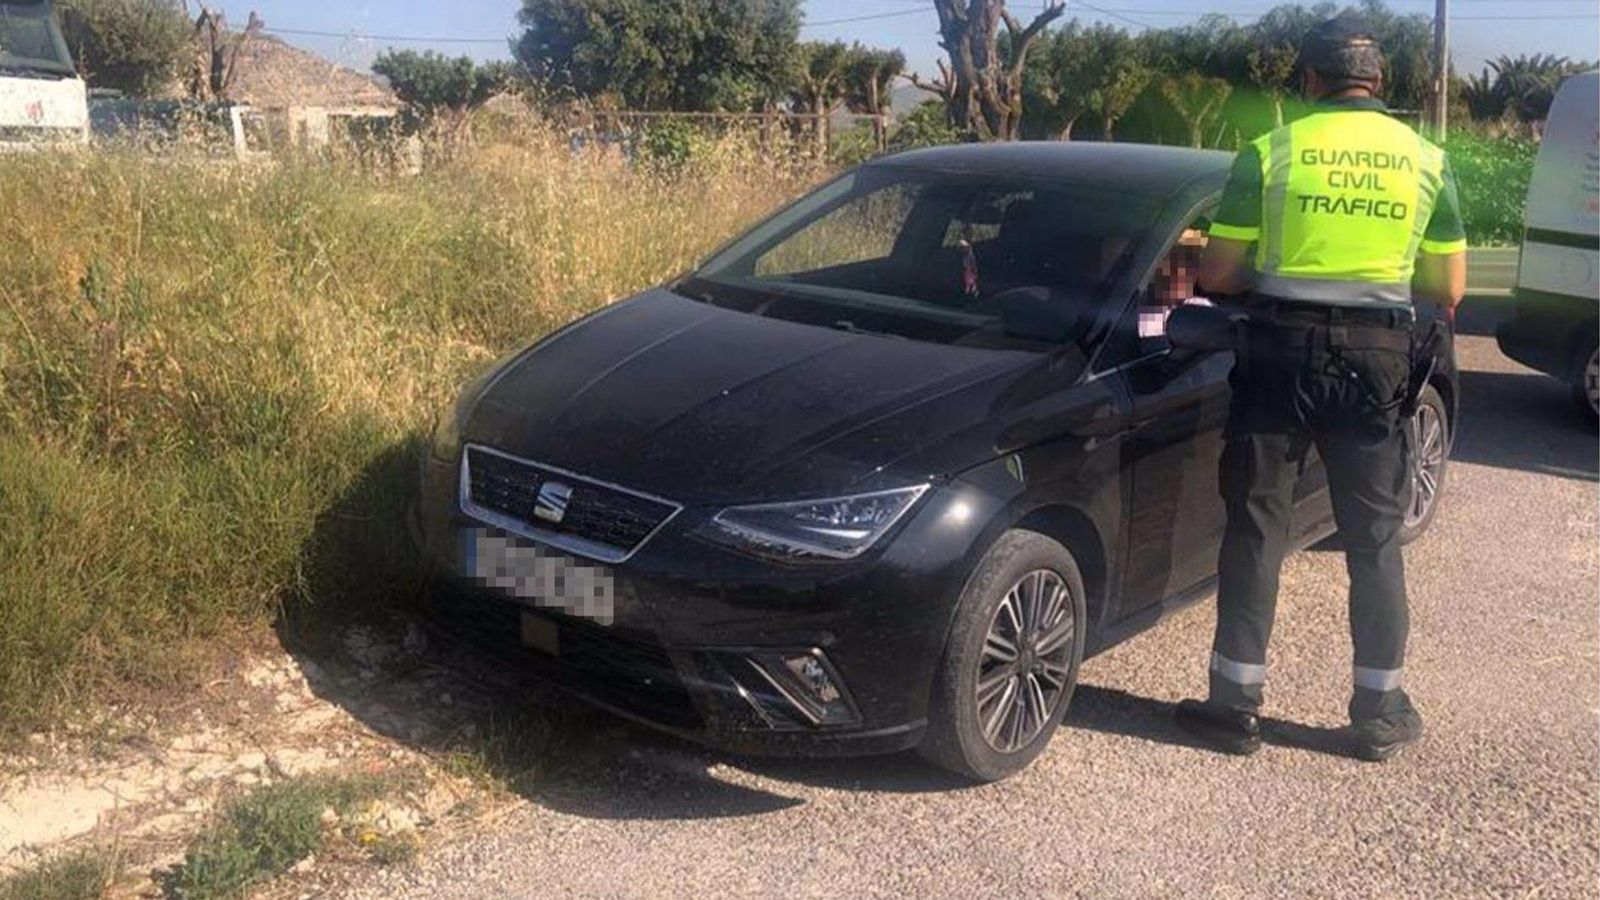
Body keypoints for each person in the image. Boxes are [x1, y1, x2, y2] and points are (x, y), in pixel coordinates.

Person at [1176, 13, 1468, 761]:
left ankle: (1233, 708)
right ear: (1378, 81)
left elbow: (1219, 274)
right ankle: (1379, 713)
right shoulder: (1426, 160)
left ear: (1310, 80)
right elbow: (1448, 286)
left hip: (1279, 354)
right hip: (1377, 363)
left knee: (1256, 529)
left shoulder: (1271, 151)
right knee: (1373, 540)